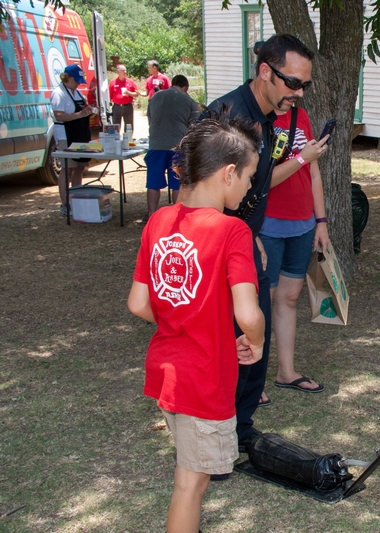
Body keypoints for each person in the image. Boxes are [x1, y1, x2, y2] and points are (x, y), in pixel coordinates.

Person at [126, 113, 265, 533]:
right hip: (204, 378)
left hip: (168, 371)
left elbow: (138, 303)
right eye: (249, 177)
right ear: (228, 174)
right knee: (190, 483)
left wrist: (182, 321)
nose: (249, 187)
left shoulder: (158, 221)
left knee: (193, 476)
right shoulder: (232, 231)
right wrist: (254, 342)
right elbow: (248, 313)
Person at [204, 34, 315, 453]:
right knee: (225, 342)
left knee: (254, 336)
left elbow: (257, 186)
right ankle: (215, 436)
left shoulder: (274, 118)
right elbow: (201, 193)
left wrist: (253, 234)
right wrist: (233, 237)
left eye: (305, 84)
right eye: (292, 82)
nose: (299, 93)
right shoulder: (227, 117)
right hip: (218, 245)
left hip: (245, 239)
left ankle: (241, 426)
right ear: (265, 72)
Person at [257, 105, 331, 399]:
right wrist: (302, 157)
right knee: (262, 302)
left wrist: (321, 221)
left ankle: (286, 372)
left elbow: (313, 173)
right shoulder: (255, 117)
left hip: (302, 225)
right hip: (267, 226)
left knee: (289, 298)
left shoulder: (301, 114)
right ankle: (253, 380)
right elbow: (259, 181)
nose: (298, 92)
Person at [144, 75, 200, 221]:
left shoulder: (155, 97)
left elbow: (150, 120)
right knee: (177, 184)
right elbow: (194, 126)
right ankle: (177, 216)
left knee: (153, 183)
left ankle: (151, 214)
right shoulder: (189, 101)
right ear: (185, 87)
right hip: (177, 147)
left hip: (156, 145)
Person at [51, 64, 95, 216]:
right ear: (66, 77)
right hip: (65, 135)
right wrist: (80, 115)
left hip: (80, 135)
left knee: (80, 167)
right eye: (75, 80)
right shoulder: (59, 93)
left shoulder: (78, 93)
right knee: (67, 168)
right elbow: (59, 115)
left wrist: (89, 112)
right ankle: (65, 204)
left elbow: (83, 109)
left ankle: (76, 200)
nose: (78, 83)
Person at [109, 64, 137, 134]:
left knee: (129, 126)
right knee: (116, 126)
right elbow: (110, 96)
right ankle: (116, 141)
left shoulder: (130, 82)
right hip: (117, 107)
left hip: (128, 107)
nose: (125, 72)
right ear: (118, 72)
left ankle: (128, 140)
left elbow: (136, 94)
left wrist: (128, 93)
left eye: (125, 70)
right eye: (123, 70)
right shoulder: (112, 82)